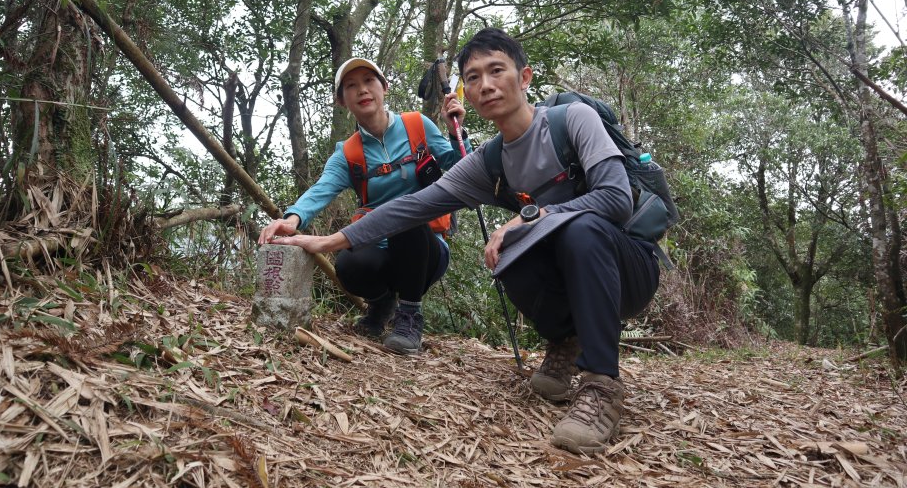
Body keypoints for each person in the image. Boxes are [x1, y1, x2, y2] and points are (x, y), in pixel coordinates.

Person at [267, 29, 661, 455]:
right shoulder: (489, 161)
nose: (486, 85)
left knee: (571, 231)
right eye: (473, 78)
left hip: (626, 268)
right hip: (569, 274)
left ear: (524, 77)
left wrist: (527, 217)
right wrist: (328, 240)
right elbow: (412, 206)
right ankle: (565, 342)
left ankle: (601, 386)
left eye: (497, 71)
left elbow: (616, 199)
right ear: (467, 94)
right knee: (510, 253)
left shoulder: (571, 121)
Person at [258, 57, 469, 355]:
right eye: (351, 86)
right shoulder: (349, 153)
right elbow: (322, 188)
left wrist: (455, 130)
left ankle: (409, 317)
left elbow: (465, 169)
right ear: (342, 101)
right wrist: (292, 219)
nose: (362, 90)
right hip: (378, 250)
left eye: (369, 81)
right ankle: (382, 304)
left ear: (384, 87)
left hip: (426, 251)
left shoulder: (417, 126)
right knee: (350, 265)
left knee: (405, 220)